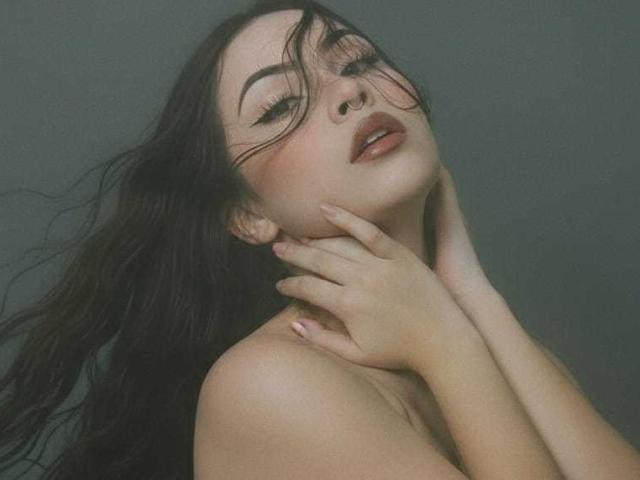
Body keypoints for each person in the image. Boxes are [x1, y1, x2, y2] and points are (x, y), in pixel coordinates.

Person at [1, 1, 639, 479]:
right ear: (247, 214)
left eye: (357, 61)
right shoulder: (269, 385)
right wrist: (448, 343)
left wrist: (473, 297)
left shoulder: (486, 341)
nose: (351, 90)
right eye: (281, 105)